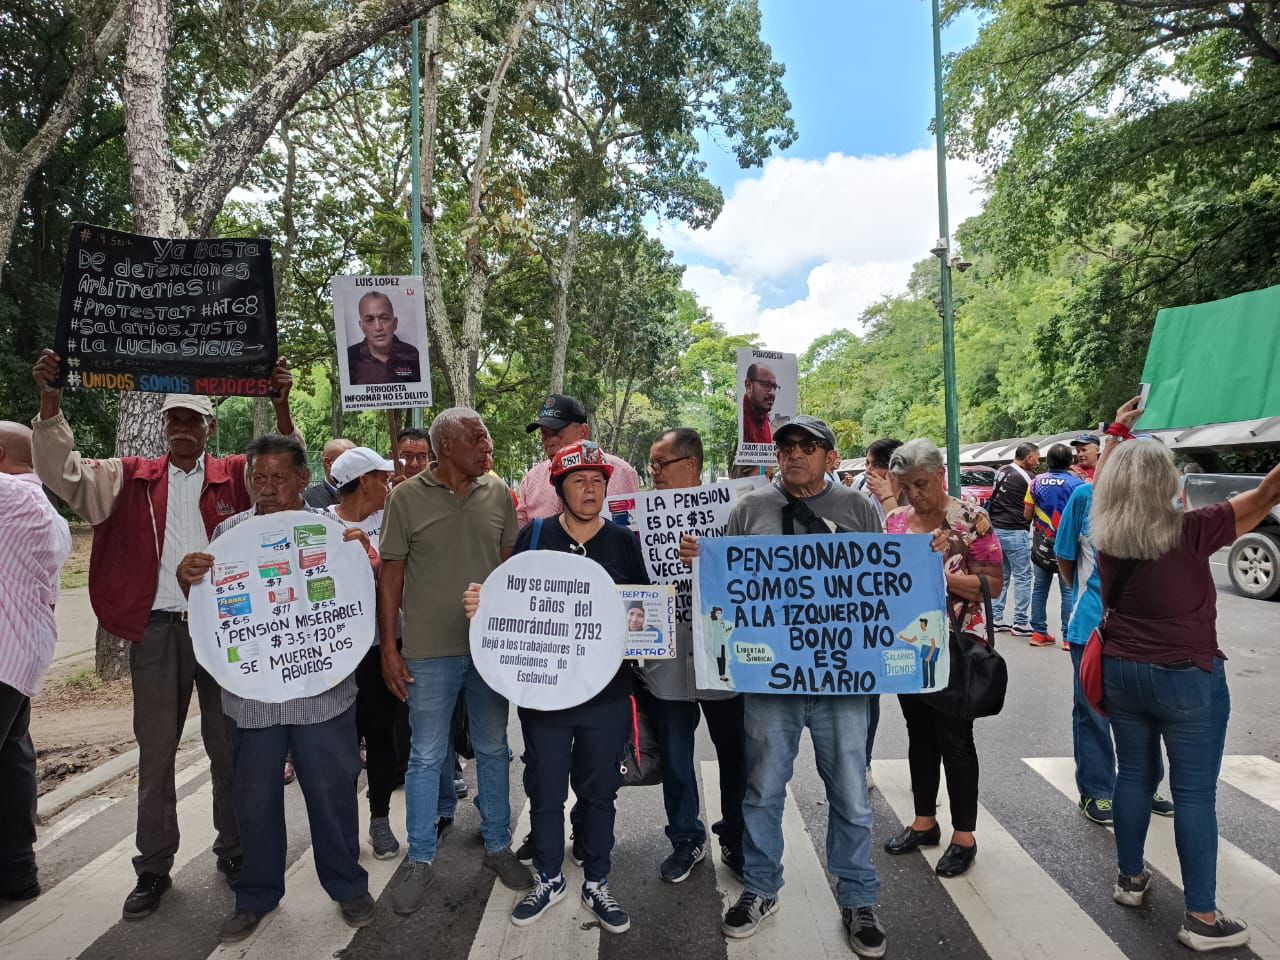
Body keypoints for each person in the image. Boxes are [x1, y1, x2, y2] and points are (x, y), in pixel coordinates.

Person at [30, 348, 295, 919]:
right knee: (156, 755)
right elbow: (60, 471)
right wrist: (50, 399)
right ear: (164, 425)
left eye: (192, 420)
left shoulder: (235, 478)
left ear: (209, 427)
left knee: (230, 751)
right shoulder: (127, 479)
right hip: (156, 632)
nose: (181, 428)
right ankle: (153, 868)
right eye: (173, 419)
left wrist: (282, 405)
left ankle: (235, 851)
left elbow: (286, 482)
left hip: (224, 634)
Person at [683, 415, 887, 958]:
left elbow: (885, 587)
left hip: (841, 678)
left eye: (808, 446)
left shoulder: (860, 508)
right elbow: (725, 586)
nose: (794, 454)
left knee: (849, 792)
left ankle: (858, 896)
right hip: (772, 679)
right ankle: (760, 887)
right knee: (763, 789)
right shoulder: (748, 509)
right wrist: (704, 563)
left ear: (829, 456)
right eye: (786, 446)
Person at [1091, 396, 1280, 953]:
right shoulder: (1193, 530)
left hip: (1124, 672)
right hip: (1186, 676)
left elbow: (1108, 481)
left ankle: (1130, 880)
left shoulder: (1107, 536)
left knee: (1133, 777)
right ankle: (1200, 916)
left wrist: (1118, 431)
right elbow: (1270, 492)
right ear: (1165, 484)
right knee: (1194, 794)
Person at [176, 434, 373, 941]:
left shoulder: (334, 531)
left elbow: (358, 599)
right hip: (253, 700)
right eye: (257, 478)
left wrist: (362, 560)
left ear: (304, 480)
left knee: (332, 794)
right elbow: (208, 607)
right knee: (255, 798)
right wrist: (188, 578)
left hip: (323, 695)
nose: (267, 488)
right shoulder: (228, 534)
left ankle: (348, 884)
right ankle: (257, 895)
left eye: (278, 477)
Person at [464, 439, 646, 933]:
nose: (590, 490)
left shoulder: (624, 541)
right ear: (560, 490)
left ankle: (598, 879)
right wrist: (481, 604)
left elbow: (644, 613)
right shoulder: (535, 535)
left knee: (599, 790)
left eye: (598, 482)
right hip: (544, 693)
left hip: (606, 695)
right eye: (579, 482)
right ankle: (548, 876)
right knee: (544, 789)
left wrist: (639, 620)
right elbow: (507, 599)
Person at [379, 407, 531, 915]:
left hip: (490, 651)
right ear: (446, 447)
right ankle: (420, 860)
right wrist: (389, 649)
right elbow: (391, 578)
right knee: (426, 755)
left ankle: (497, 847)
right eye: (478, 440)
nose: (488, 448)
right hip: (428, 650)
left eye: (487, 439)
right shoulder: (404, 498)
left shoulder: (498, 493)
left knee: (493, 749)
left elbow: (511, 572)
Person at [882, 438, 1003, 884]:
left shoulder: (970, 519)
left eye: (920, 484)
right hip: (908, 644)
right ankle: (924, 821)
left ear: (940, 477)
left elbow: (992, 584)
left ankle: (965, 835)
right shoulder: (894, 521)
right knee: (918, 734)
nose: (914, 495)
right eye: (905, 486)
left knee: (955, 737)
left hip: (957, 647)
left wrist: (941, 574)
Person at [640, 427, 747, 884]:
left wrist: (713, 557)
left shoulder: (734, 514)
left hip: (721, 654)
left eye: (660, 464)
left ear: (691, 466)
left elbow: (755, 574)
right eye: (651, 465)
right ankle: (686, 838)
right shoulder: (641, 517)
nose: (653, 472)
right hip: (665, 661)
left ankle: (737, 836)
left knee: (736, 755)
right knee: (677, 759)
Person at [1055, 476, 1174, 827]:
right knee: (1092, 711)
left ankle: (1144, 785)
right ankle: (1097, 790)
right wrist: (1085, 594)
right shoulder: (1084, 497)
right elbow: (1065, 558)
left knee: (1147, 707)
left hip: (1147, 627)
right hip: (1092, 626)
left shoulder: (1161, 495)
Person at [323, 445, 412, 860]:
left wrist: (372, 557)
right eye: (381, 476)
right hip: (338, 654)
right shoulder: (318, 525)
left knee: (380, 734)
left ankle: (379, 819)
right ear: (362, 483)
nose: (387, 481)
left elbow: (403, 578)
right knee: (338, 744)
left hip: (383, 647)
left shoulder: (390, 520)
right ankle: (339, 829)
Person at [0, 424, 72, 902]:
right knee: (12, 761)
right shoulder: (50, 513)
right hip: (20, 661)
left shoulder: (7, 496)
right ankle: (17, 873)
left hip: (4, 653)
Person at [849, 437, 905, 787]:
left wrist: (888, 499)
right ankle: (863, 762)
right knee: (867, 692)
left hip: (904, 609)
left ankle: (925, 774)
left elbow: (903, 547)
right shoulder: (857, 495)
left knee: (919, 701)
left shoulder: (914, 497)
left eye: (872, 464)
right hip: (868, 611)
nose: (866, 471)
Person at [517, 394, 639, 525]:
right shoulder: (531, 480)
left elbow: (633, 530)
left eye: (557, 432)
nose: (549, 442)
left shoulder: (621, 473)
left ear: (583, 433)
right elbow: (520, 535)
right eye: (544, 434)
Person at [1024, 443, 1083, 648]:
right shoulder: (1076, 484)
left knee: (1039, 589)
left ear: (1047, 461)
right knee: (1068, 590)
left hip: (1041, 543)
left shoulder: (1036, 482)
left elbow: (1027, 513)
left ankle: (1039, 634)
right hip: (1068, 544)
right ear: (1070, 461)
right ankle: (1068, 638)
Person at [988, 441, 1039, 638]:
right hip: (1016, 531)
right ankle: (1020, 622)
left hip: (996, 530)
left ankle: (996, 617)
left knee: (1003, 575)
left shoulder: (1002, 470)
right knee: (1024, 577)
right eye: (1036, 456)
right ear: (1028, 457)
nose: (1037, 460)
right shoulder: (1028, 478)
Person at [346, 291, 421, 385]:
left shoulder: (412, 354)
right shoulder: (349, 357)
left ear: (395, 323)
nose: (378, 327)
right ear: (361, 326)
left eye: (384, 318)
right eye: (369, 320)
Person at [303, 438, 356, 507]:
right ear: (328, 463)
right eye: (348, 462)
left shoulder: (365, 496)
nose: (355, 467)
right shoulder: (308, 500)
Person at [740, 362, 778, 445]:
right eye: (767, 385)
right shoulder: (739, 420)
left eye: (774, 387)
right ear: (749, 386)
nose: (772, 393)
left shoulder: (765, 420)